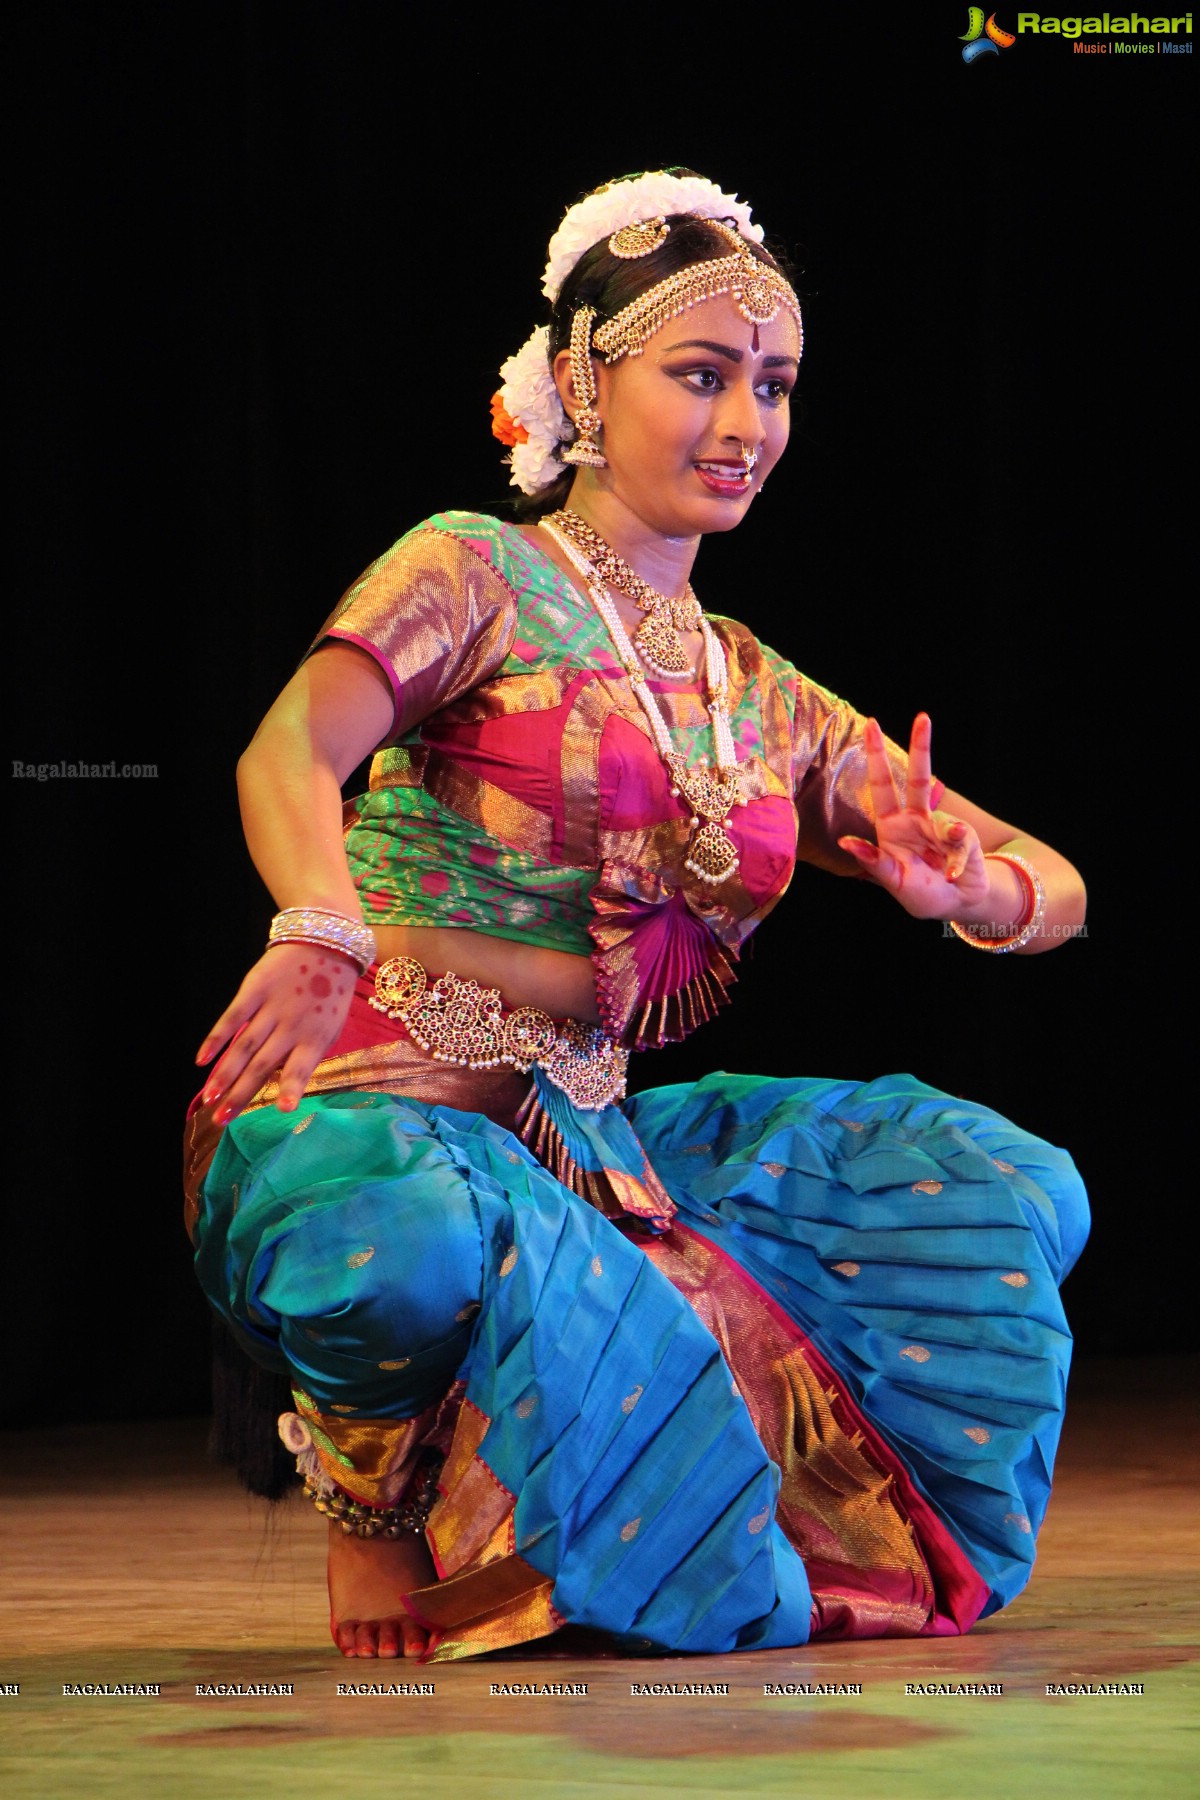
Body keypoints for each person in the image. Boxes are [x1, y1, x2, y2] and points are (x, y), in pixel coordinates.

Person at [185, 170, 1089, 1665]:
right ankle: (373, 1519)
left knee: (1005, 1190)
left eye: (776, 386)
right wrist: (321, 928)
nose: (747, 425)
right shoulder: (477, 571)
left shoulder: (753, 687)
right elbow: (289, 751)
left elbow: (1055, 885)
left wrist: (968, 886)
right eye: (702, 375)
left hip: (590, 1147)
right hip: (357, 1110)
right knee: (403, 1236)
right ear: (584, 385)